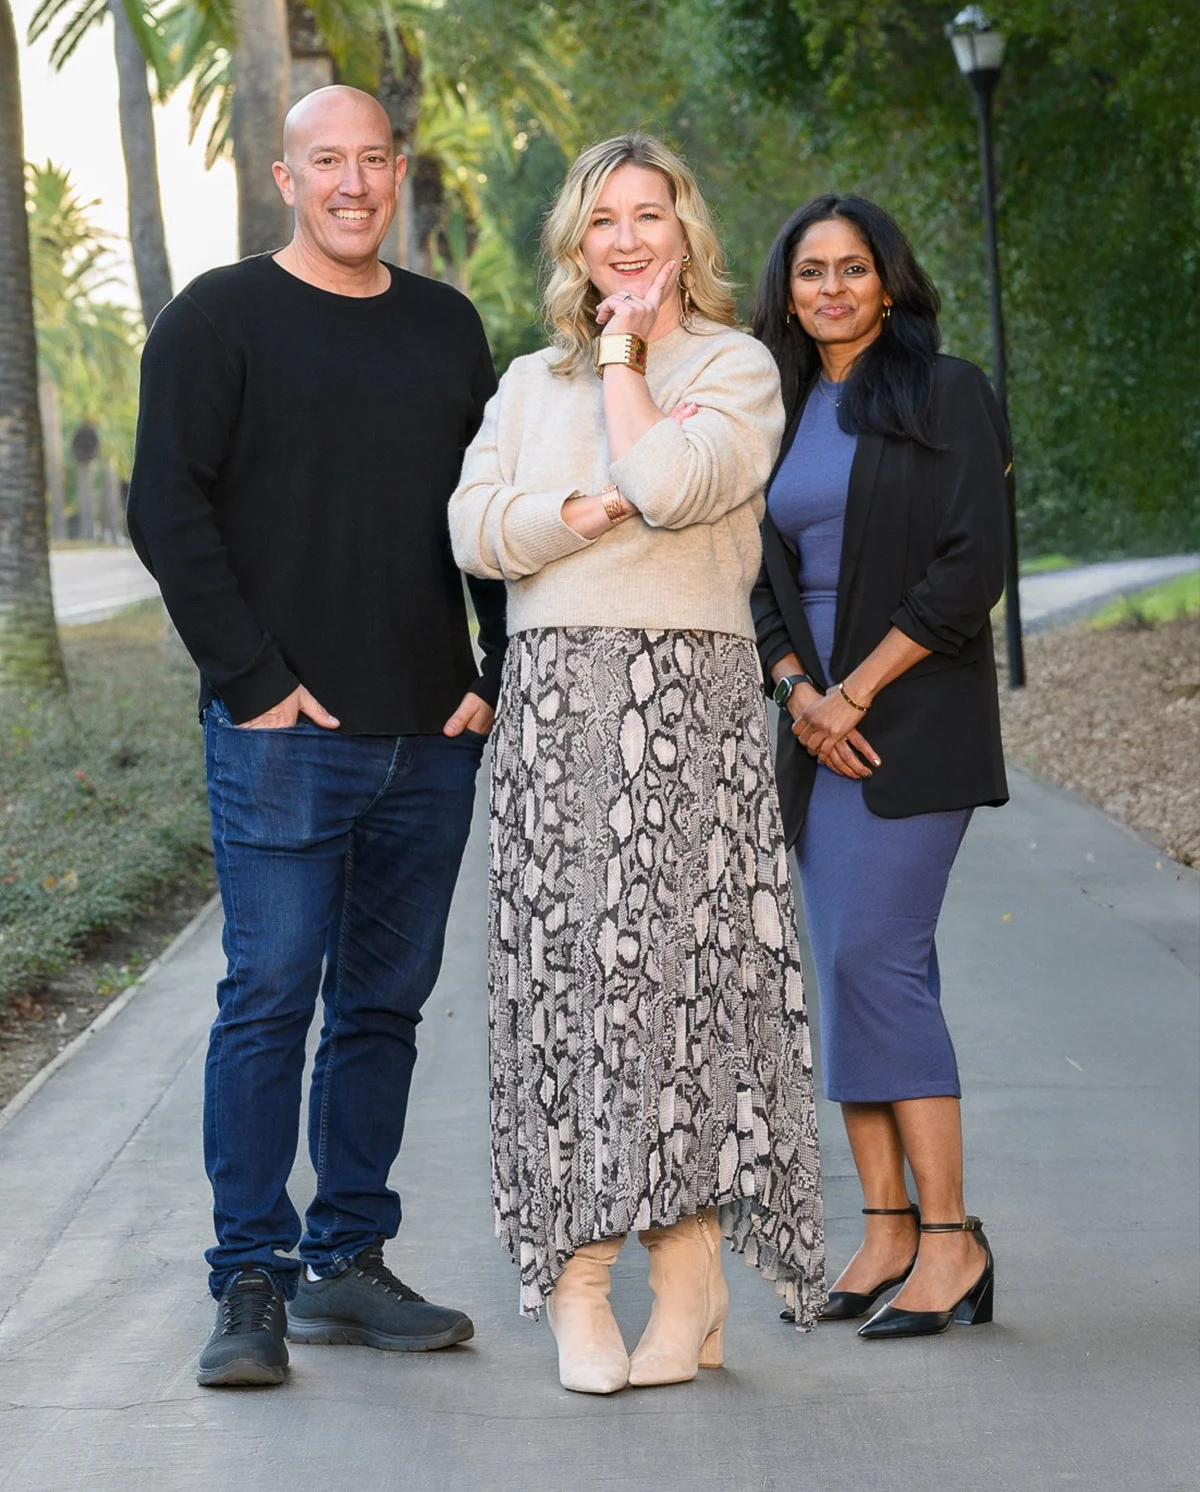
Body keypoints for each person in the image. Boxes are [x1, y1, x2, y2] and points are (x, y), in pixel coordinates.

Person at [126, 85, 506, 1387]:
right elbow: (164, 508)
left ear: (399, 172)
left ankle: (347, 1259)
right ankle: (249, 1280)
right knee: (270, 999)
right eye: (324, 161)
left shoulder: (451, 330)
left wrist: (492, 665)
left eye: (373, 159)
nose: (353, 181)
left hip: (431, 735)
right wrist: (251, 680)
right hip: (283, 735)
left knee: (384, 1006)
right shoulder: (217, 320)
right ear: (283, 177)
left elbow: (488, 510)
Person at [448, 133, 825, 1395]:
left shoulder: (735, 366)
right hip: (556, 707)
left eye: (647, 216)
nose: (625, 238)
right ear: (576, 237)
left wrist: (624, 360)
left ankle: (691, 1279)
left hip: (693, 706)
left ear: (683, 233)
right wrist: (574, 514)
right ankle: (576, 1283)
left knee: (687, 987)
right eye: (602, 217)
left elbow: (669, 477)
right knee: (568, 989)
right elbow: (473, 527)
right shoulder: (522, 381)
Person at [750, 193, 1008, 1340]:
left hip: (913, 714)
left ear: (889, 282)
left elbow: (971, 566)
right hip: (816, 728)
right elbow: (756, 581)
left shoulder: (946, 394)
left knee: (875, 956)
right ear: (789, 291)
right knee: (847, 971)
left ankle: (951, 1239)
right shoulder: (781, 408)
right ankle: (888, 1225)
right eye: (812, 272)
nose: (833, 289)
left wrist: (856, 687)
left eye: (854, 269)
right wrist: (801, 694)